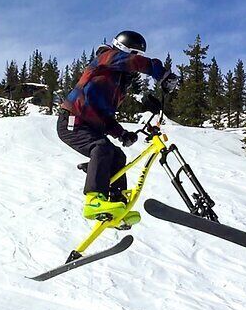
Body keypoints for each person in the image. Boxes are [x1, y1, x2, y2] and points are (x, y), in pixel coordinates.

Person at [57, 30, 178, 226]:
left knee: (117, 156)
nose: (135, 60)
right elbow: (130, 62)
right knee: (101, 148)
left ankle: (116, 203)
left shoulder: (117, 85)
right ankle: (94, 200)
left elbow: (104, 116)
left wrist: (121, 133)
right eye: (134, 55)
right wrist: (160, 72)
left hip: (90, 126)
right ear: (124, 50)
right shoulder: (105, 58)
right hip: (72, 120)